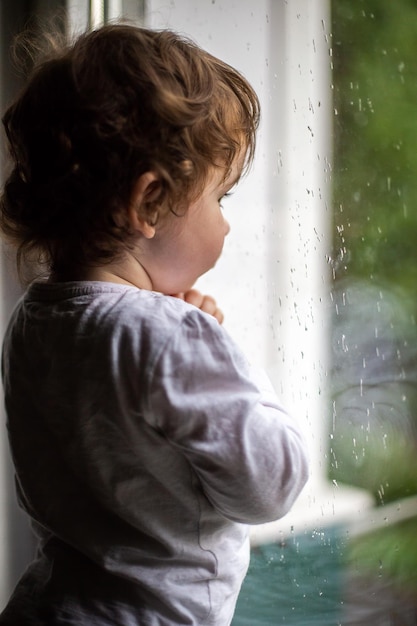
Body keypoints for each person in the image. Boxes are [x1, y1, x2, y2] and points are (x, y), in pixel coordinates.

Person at [0, 24, 309, 626]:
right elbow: (272, 484)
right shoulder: (170, 338)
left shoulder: (34, 317)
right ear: (148, 204)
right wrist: (218, 350)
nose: (225, 225)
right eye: (221, 198)